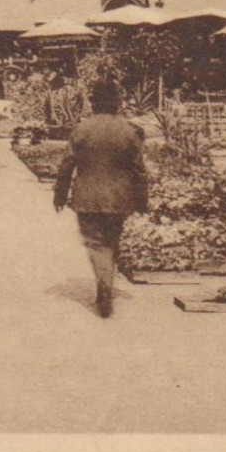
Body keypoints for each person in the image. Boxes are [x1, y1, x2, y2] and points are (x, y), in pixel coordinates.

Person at [52, 82, 149, 319]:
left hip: (87, 197)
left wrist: (60, 194)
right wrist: (142, 200)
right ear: (117, 105)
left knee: (96, 243)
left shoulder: (82, 129)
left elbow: (67, 164)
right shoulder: (129, 131)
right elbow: (139, 170)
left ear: (93, 104)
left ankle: (103, 286)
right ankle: (106, 282)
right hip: (118, 197)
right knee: (111, 240)